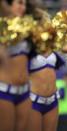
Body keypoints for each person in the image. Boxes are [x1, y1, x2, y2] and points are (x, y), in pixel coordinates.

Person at [0, 0, 34, 131]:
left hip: (25, 92)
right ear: (7, 5)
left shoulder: (28, 28)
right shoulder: (2, 26)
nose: (23, 7)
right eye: (19, 3)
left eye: (25, 4)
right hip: (4, 92)